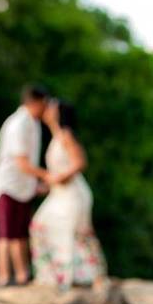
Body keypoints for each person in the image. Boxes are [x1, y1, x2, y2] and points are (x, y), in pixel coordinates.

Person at [30, 99, 106, 290]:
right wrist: (46, 185)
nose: (46, 110)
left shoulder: (66, 135)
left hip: (72, 194)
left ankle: (88, 276)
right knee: (41, 226)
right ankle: (55, 276)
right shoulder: (57, 137)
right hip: (58, 193)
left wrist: (57, 178)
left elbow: (79, 162)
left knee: (76, 233)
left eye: (51, 108)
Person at [0, 84, 49, 286]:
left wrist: (36, 183)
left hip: (24, 186)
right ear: (36, 102)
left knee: (21, 233)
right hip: (9, 184)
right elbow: (21, 162)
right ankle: (4, 276)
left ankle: (23, 274)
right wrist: (47, 176)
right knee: (6, 234)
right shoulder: (17, 124)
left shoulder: (33, 124)